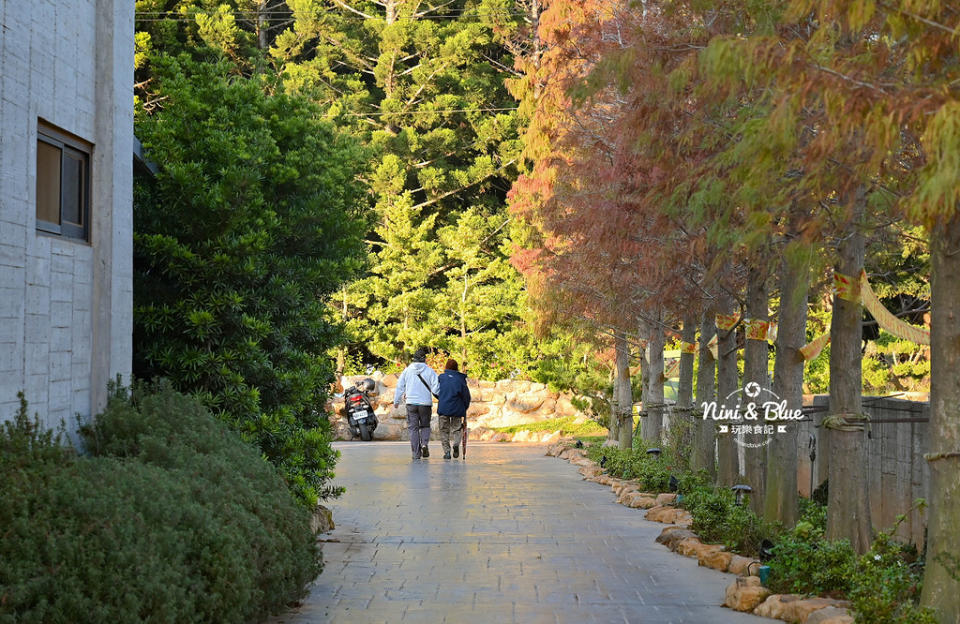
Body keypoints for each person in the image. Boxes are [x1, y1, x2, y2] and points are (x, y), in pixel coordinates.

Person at [394, 347, 440, 459]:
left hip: (411, 403)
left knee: (413, 428)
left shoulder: (407, 370)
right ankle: (424, 444)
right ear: (424, 359)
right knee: (425, 425)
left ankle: (416, 453)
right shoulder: (430, 371)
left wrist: (396, 400)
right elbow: (436, 389)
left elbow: (400, 386)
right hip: (425, 404)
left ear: (414, 359)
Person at [436, 358, 471, 459]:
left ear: (446, 367)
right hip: (457, 408)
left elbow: (435, 390)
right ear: (456, 368)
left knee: (444, 430)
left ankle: (447, 452)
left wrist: (441, 397)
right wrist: (465, 407)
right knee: (456, 429)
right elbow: (466, 396)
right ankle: (456, 444)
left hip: (443, 407)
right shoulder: (460, 379)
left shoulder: (441, 378)